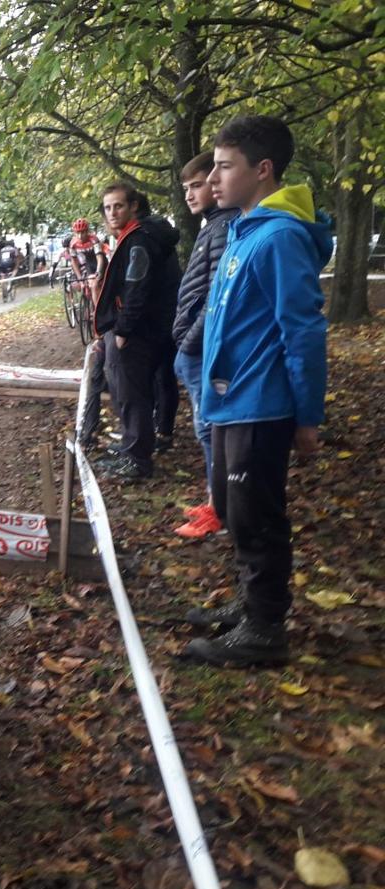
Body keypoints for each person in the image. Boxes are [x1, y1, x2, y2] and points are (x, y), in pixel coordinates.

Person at [182, 116, 330, 668]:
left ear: (262, 169)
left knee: (255, 516)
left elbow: (304, 330)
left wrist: (307, 416)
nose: (214, 179)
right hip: (229, 398)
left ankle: (265, 628)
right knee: (229, 505)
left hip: (259, 402)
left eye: (225, 167)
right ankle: (250, 605)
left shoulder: (280, 237)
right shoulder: (245, 229)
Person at [91, 182, 181, 480]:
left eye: (118, 206)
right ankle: (134, 447)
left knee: (130, 395)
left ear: (132, 207)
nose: (113, 212)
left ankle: (136, 459)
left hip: (136, 332)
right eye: (107, 208)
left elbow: (136, 287)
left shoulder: (139, 240)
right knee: (134, 393)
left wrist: (122, 329)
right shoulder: (146, 236)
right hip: (152, 328)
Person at [171, 151, 239, 539]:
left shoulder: (224, 226)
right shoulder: (211, 226)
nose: (192, 194)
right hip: (195, 347)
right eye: (187, 188)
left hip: (201, 349)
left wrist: (190, 343)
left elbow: (216, 294)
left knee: (209, 429)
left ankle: (219, 508)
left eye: (197, 185)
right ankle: (215, 500)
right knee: (205, 429)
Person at [68, 218, 105, 300]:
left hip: (97, 262)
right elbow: (74, 262)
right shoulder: (73, 243)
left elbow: (100, 257)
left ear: (87, 231)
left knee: (95, 285)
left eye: (83, 232)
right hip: (87, 263)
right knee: (82, 284)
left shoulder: (94, 240)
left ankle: (97, 310)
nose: (80, 236)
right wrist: (80, 279)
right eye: (78, 233)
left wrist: (98, 272)